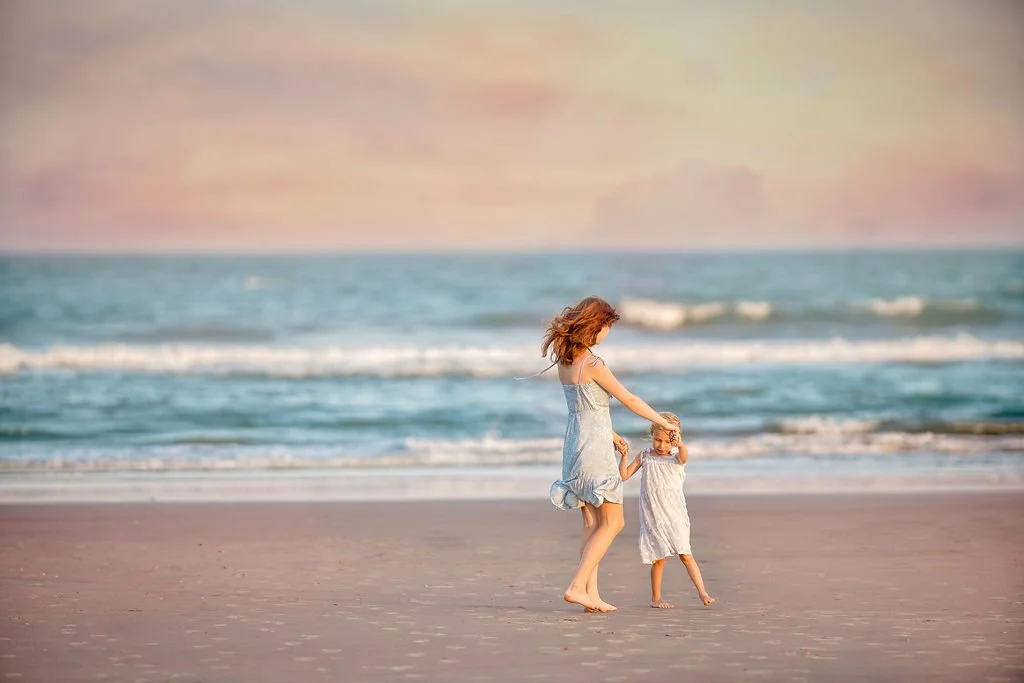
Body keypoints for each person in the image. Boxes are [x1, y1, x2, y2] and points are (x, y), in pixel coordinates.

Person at [544, 296, 679, 613]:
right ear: (596, 326)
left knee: (591, 522)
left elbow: (584, 409)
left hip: (575, 445)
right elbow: (630, 400)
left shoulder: (566, 362)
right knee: (614, 522)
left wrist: (612, 434)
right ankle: (577, 586)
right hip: (593, 449)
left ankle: (591, 595)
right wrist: (662, 422)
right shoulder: (594, 364)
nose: (607, 334)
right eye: (606, 327)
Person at [619, 412, 716, 609]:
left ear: (674, 440)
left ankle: (703, 593)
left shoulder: (676, 457)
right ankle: (656, 598)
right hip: (654, 514)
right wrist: (624, 456)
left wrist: (679, 444)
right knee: (659, 558)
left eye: (666, 441)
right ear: (651, 436)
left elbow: (684, 456)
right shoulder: (645, 455)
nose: (661, 445)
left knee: (685, 554)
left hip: (674, 513)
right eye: (657, 440)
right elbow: (624, 475)